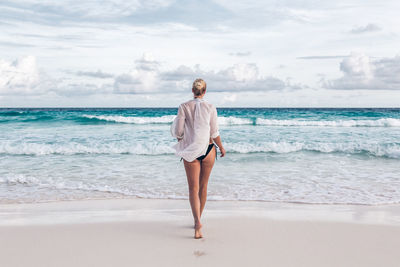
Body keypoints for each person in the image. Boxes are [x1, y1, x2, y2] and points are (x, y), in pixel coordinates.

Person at [170, 78, 226, 239]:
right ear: (205, 91)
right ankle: (198, 219)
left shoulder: (184, 106)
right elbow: (214, 132)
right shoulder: (210, 107)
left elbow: (179, 131)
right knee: (203, 186)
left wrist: (180, 138)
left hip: (191, 151)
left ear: (192, 91)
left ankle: (197, 223)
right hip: (209, 149)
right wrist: (221, 147)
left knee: (193, 189)